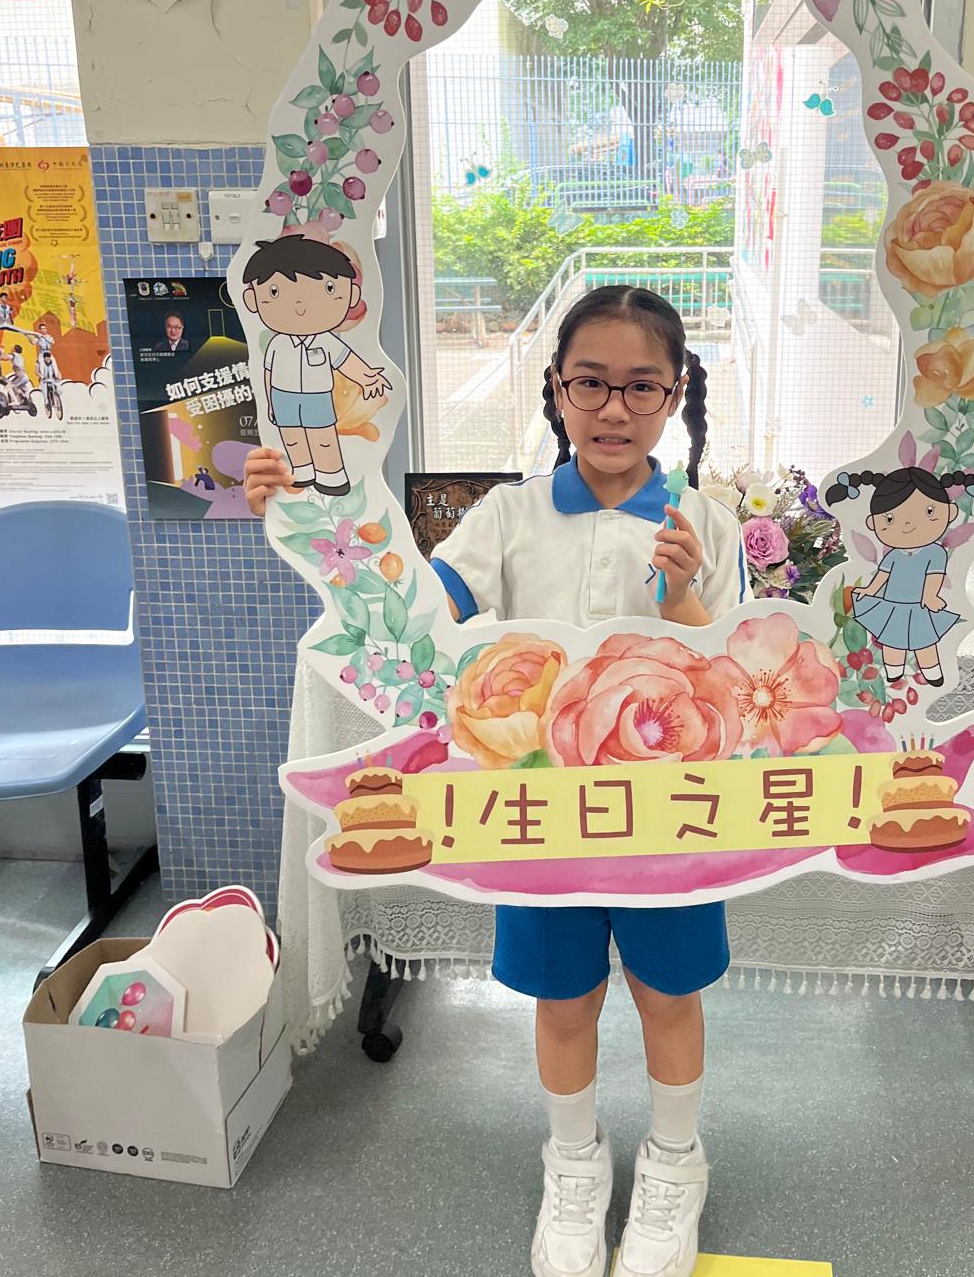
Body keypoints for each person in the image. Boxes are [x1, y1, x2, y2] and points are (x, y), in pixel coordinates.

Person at [244, 285, 747, 1277]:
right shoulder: (509, 516)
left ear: (675, 392)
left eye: (641, 386)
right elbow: (419, 616)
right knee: (562, 1000)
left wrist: (686, 597)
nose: (613, 409)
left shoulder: (706, 522)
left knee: (668, 994)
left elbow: (738, 685)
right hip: (536, 819)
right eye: (590, 383)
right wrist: (309, 508)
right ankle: (573, 1162)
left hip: (671, 820)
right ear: (556, 390)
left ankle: (674, 1161)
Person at [241, 235, 391, 497]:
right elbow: (267, 373)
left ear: (352, 295)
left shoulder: (327, 341)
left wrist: (367, 377)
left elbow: (346, 361)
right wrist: (270, 404)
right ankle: (302, 472)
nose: (300, 306)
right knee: (292, 438)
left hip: (317, 397)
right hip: (283, 397)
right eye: (275, 292)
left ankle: (332, 476)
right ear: (253, 300)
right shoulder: (277, 344)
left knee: (323, 438)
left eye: (329, 289)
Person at [827, 466, 974, 687]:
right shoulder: (893, 554)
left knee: (924, 641)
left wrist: (930, 596)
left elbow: (934, 576)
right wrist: (869, 590)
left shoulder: (935, 552)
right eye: (890, 519)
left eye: (929, 512)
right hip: (892, 604)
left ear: (950, 513)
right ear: (873, 524)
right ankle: (894, 671)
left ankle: (931, 671)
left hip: (919, 605)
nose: (908, 524)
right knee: (892, 640)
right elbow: (883, 575)